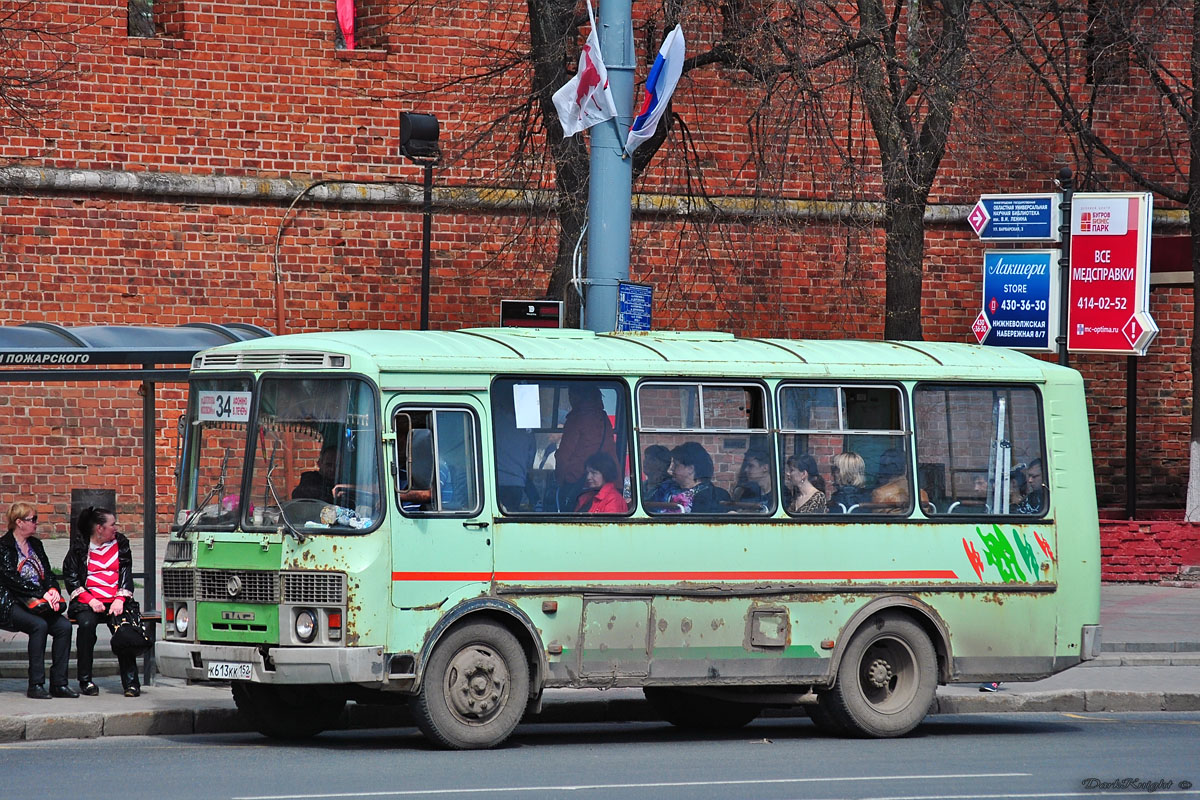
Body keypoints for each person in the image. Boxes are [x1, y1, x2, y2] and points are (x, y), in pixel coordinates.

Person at [0, 503, 77, 699]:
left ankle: (59, 683)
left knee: (64, 627)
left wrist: (51, 590)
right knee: (38, 625)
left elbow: (48, 573)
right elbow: (11, 579)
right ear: (19, 523)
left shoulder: (36, 545)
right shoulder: (3, 547)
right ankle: (36, 684)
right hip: (12, 602)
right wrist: (38, 593)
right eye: (32, 519)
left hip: (38, 601)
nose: (36, 523)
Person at [63, 506, 142, 697]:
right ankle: (85, 680)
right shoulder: (80, 546)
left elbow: (126, 574)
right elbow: (71, 577)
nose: (115, 528)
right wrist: (90, 600)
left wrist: (120, 599)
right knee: (87, 625)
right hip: (88, 601)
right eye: (112, 525)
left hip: (116, 600)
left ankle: (131, 684)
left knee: (124, 629)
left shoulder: (120, 544)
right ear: (99, 528)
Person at [554, 385, 618, 509]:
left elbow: (563, 455)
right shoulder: (604, 419)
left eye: (571, 396)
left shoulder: (576, 418)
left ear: (578, 397)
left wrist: (561, 481)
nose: (570, 399)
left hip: (576, 482)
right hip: (605, 482)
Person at [660, 441, 731, 513]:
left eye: (676, 465)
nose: (671, 468)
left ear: (690, 469)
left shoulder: (716, 496)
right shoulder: (667, 489)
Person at [731, 447, 775, 512]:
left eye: (751, 466)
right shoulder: (748, 492)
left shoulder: (781, 494)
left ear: (765, 468)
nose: (746, 470)